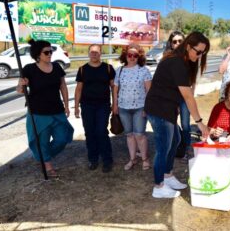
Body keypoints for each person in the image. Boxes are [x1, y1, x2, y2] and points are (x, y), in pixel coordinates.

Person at [145, 31, 210, 198]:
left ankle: (167, 175)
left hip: (167, 108)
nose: (200, 55)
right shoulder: (176, 62)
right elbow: (188, 96)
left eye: (203, 52)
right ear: (188, 46)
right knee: (163, 147)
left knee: (176, 140)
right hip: (159, 108)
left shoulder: (182, 62)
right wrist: (200, 122)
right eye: (198, 51)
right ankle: (158, 187)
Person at [16, 39, 74, 177]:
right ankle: (47, 165)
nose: (50, 54)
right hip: (38, 112)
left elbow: (63, 87)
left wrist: (66, 105)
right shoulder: (29, 69)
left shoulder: (57, 67)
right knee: (42, 141)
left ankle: (43, 157)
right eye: (46, 52)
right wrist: (22, 85)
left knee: (62, 138)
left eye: (51, 51)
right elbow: (19, 89)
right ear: (38, 54)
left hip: (57, 110)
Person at [74, 44, 115, 173]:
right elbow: (78, 89)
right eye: (92, 52)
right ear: (88, 53)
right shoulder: (82, 70)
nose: (94, 54)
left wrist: (115, 104)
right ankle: (93, 159)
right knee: (89, 132)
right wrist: (76, 107)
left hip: (103, 105)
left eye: (97, 52)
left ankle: (107, 160)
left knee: (101, 131)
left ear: (100, 54)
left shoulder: (108, 68)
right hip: (87, 106)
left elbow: (113, 87)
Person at [113, 43, 152, 171]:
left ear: (139, 56)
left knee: (139, 134)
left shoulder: (144, 70)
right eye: (129, 54)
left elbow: (149, 91)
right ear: (125, 55)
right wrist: (115, 106)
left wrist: (147, 108)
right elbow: (115, 90)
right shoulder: (120, 70)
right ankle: (132, 159)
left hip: (140, 107)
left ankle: (145, 159)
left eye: (135, 55)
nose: (132, 57)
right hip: (123, 107)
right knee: (129, 135)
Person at [165, 31, 192, 161]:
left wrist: (191, 96)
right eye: (174, 41)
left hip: (186, 97)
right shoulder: (167, 58)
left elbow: (193, 80)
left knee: (185, 124)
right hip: (172, 97)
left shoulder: (189, 58)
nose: (177, 44)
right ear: (171, 43)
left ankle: (186, 149)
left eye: (180, 41)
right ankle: (174, 147)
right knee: (172, 124)